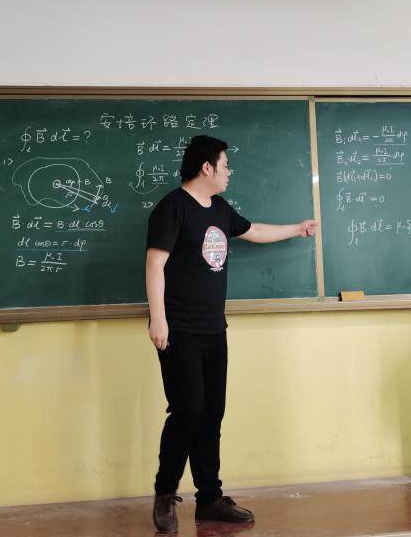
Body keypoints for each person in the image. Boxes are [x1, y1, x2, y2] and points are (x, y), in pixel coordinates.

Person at [145, 134, 317, 533]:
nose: (229, 172)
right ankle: (164, 493)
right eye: (225, 165)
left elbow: (254, 231)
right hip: (178, 329)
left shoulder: (220, 209)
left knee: (211, 414)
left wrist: (297, 228)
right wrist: (158, 319)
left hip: (213, 328)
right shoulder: (172, 208)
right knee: (187, 409)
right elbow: (155, 265)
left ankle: (209, 499)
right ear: (206, 167)